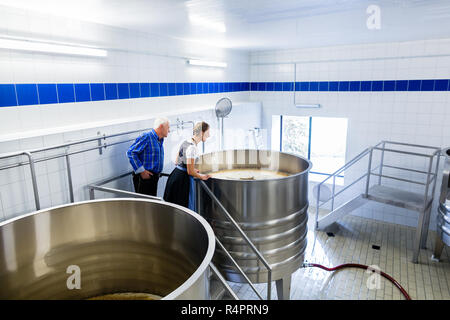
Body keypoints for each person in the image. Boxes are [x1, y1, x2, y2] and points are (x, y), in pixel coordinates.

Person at [163, 121, 211, 210]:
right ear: (201, 133)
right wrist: (202, 176)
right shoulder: (192, 148)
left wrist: (190, 168)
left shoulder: (186, 141)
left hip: (175, 176)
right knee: (183, 208)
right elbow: (190, 171)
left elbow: (177, 161)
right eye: (207, 133)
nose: (209, 135)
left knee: (174, 208)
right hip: (182, 180)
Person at [126, 117, 170, 197]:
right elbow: (131, 152)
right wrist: (141, 171)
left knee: (151, 205)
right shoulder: (147, 137)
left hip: (153, 177)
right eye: (168, 128)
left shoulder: (160, 140)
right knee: (144, 205)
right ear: (161, 127)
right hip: (144, 177)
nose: (169, 130)